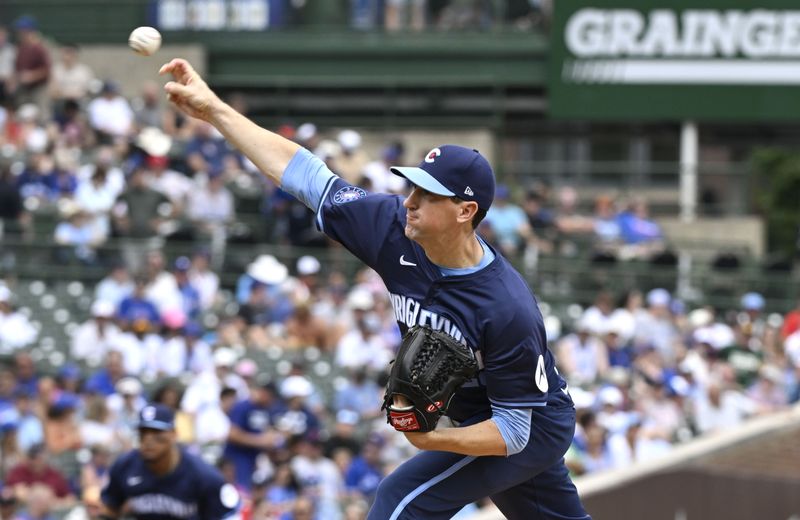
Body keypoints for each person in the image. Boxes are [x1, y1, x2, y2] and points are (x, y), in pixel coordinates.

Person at [160, 58, 590, 519]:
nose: (410, 201)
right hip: (480, 417)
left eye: (427, 195)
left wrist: (430, 439)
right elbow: (305, 175)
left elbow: (514, 431)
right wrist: (216, 112)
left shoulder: (506, 306)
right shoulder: (391, 227)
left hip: (525, 427)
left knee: (401, 499)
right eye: (411, 189)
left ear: (465, 211)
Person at [100, 404, 241, 519]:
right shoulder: (125, 466)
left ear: (174, 434)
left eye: (156, 433)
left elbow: (225, 515)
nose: (148, 440)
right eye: (143, 433)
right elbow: (109, 509)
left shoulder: (203, 476)